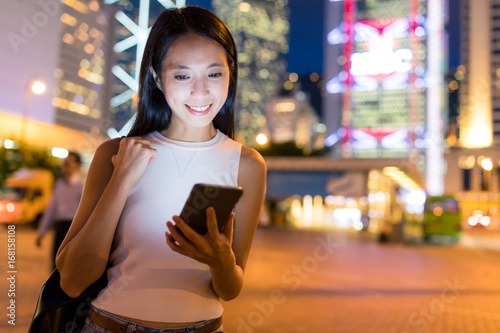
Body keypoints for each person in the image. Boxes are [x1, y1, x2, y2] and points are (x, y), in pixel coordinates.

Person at [56, 6, 266, 333]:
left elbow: (230, 290)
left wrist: (220, 260)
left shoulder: (247, 164)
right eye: (182, 75)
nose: (200, 92)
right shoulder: (115, 154)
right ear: (157, 77)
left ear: (230, 73)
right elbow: (72, 279)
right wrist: (122, 179)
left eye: (214, 73)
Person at [36, 152, 84, 269]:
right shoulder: (59, 184)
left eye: (70, 162)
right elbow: (52, 208)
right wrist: (42, 231)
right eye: (65, 162)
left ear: (78, 166)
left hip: (74, 228)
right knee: (56, 263)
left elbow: (85, 211)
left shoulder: (82, 185)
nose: (66, 165)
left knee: (70, 264)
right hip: (60, 227)